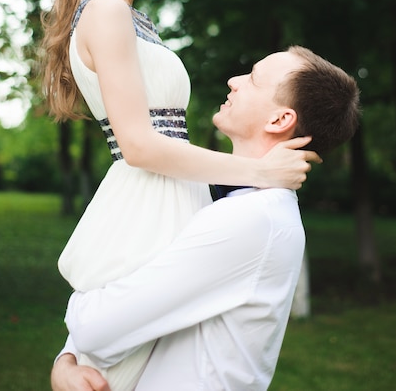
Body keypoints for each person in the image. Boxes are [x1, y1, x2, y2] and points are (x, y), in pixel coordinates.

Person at [41, 0, 320, 390]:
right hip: (148, 197)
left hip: (166, 197)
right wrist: (259, 172)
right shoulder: (107, 14)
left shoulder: (122, 15)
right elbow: (140, 145)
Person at [51, 45, 360, 391]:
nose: (234, 81)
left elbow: (98, 326)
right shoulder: (237, 204)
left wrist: (71, 347)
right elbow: (132, 296)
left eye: (254, 79)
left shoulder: (252, 219)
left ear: (279, 120)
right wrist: (67, 359)